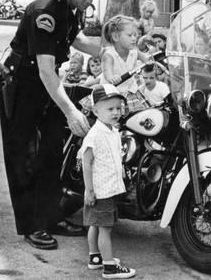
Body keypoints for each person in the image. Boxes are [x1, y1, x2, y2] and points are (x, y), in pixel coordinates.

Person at [0, 0, 105, 249]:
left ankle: (50, 216)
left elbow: (73, 39)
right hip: (23, 84)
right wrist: (71, 111)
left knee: (51, 153)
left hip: (48, 84)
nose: (88, 0)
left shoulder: (72, 8)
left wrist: (106, 51)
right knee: (25, 157)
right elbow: (45, 69)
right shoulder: (45, 12)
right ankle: (32, 225)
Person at [81, 84, 136, 279]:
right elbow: (86, 163)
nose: (115, 113)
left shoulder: (112, 130)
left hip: (108, 188)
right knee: (105, 228)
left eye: (118, 108)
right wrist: (89, 190)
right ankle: (110, 267)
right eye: (109, 109)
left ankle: (95, 257)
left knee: (95, 224)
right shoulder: (94, 135)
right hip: (100, 190)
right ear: (96, 111)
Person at [100, 15, 149, 97]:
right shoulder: (109, 54)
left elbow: (146, 58)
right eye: (130, 35)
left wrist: (151, 58)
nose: (134, 39)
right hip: (112, 93)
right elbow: (107, 71)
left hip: (130, 91)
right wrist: (111, 77)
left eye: (135, 35)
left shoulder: (134, 51)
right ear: (115, 37)